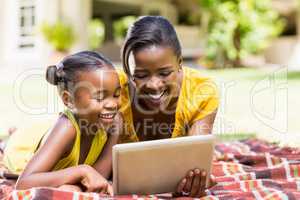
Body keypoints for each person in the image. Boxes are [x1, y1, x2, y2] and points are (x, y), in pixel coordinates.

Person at [118, 16, 219, 197]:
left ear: (180, 63)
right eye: (140, 75)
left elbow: (194, 162)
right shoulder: (114, 91)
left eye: (164, 73)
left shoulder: (201, 91)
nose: (154, 85)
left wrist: (194, 178)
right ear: (129, 71)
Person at [5, 51, 122, 195]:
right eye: (99, 97)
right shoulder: (67, 127)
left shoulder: (113, 123)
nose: (112, 104)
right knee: (18, 138)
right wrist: (82, 170)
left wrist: (81, 182)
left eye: (116, 94)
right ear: (68, 100)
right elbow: (24, 183)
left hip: (48, 131)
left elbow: (99, 176)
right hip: (21, 150)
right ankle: (14, 133)